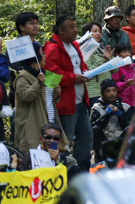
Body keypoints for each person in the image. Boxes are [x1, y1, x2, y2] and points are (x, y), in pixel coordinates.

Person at [43, 14, 92, 171]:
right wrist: (73, 78)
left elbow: (80, 64)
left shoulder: (75, 46)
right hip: (65, 105)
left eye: (76, 26)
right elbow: (50, 75)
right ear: (61, 31)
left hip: (81, 102)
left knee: (86, 138)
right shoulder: (52, 48)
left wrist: (87, 72)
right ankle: (62, 174)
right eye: (71, 27)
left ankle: (82, 173)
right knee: (65, 141)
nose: (76, 30)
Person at [14, 42, 64, 156]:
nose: (45, 55)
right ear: (35, 57)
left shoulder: (44, 74)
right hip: (34, 128)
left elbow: (47, 100)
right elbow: (24, 97)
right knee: (35, 162)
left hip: (51, 125)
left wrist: (56, 95)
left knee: (53, 157)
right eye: (42, 53)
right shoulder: (23, 77)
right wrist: (38, 84)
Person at [90, 79, 133, 157]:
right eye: (108, 91)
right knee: (95, 129)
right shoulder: (96, 107)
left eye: (114, 90)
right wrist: (106, 115)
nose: (112, 93)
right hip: (104, 142)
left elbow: (130, 126)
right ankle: (102, 160)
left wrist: (120, 115)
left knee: (130, 129)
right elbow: (93, 127)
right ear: (102, 94)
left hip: (120, 140)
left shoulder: (125, 106)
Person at [80, 22, 113, 107]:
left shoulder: (101, 48)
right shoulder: (85, 50)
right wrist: (103, 59)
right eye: (95, 31)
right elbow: (88, 71)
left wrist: (110, 58)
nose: (98, 34)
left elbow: (114, 70)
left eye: (99, 31)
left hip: (106, 92)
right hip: (93, 93)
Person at [111, 43, 135, 107]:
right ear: (117, 54)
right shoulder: (116, 68)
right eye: (124, 52)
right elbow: (114, 85)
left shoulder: (132, 68)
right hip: (122, 102)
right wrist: (125, 84)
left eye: (128, 52)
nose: (127, 54)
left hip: (134, 102)